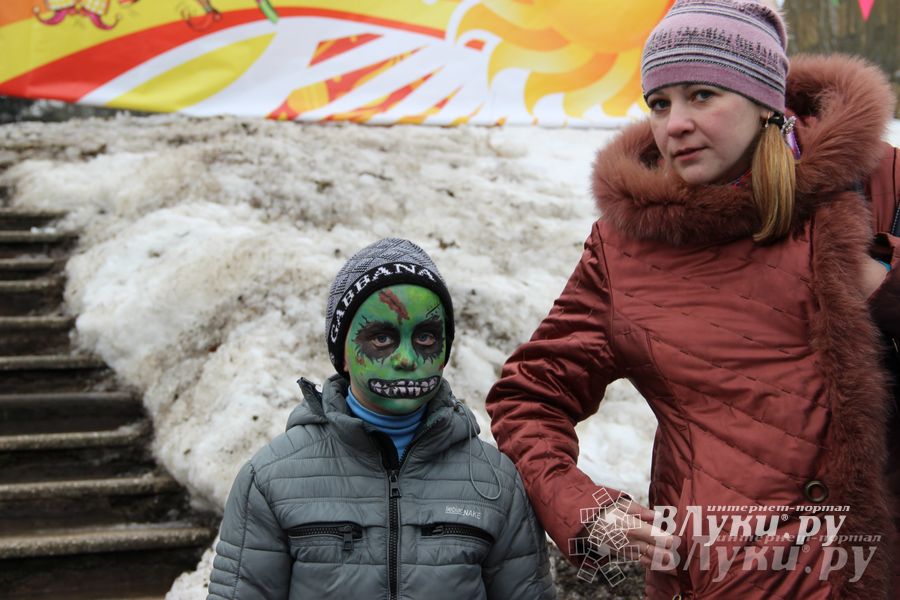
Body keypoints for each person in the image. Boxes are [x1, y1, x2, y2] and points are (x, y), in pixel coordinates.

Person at [485, 1, 899, 598]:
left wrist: (880, 279)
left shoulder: (872, 181)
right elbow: (529, 397)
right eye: (659, 102)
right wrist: (587, 513)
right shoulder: (630, 244)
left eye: (702, 95)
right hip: (719, 580)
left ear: (765, 102)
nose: (674, 123)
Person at [208, 238, 555, 600]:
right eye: (382, 337)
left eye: (425, 336)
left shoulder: (495, 482)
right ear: (342, 354)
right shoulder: (269, 479)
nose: (406, 358)